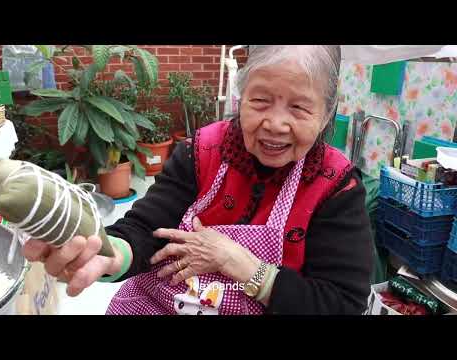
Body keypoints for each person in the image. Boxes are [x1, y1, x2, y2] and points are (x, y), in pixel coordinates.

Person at [22, 45, 374, 315]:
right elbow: (147, 228)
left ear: (327, 112)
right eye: (261, 101)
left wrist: (240, 264)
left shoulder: (336, 187)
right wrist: (110, 256)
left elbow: (342, 303)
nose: (275, 124)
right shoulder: (203, 150)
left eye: (299, 108)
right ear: (242, 97)